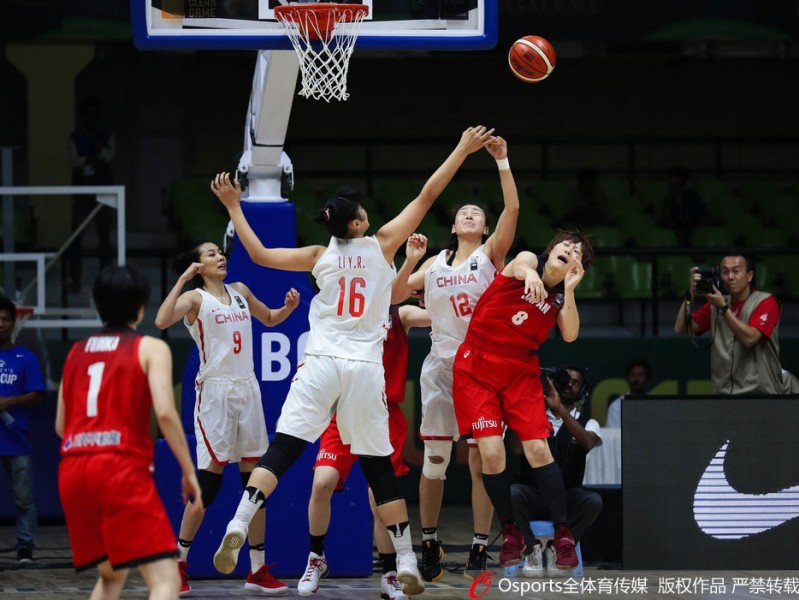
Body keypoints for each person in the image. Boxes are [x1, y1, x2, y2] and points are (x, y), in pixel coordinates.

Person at [209, 124, 497, 597]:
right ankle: (404, 558)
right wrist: (462, 150)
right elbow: (427, 195)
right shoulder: (382, 244)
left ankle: (241, 519)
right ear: (359, 224)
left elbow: (257, 255)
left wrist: (234, 207)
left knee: (282, 449)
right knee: (381, 467)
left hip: (321, 361)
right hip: (364, 369)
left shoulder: (318, 255)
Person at [391, 135, 519, 581]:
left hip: (484, 369)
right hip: (442, 368)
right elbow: (392, 294)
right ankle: (429, 541)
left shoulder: (490, 255)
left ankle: (481, 547)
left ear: (484, 229)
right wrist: (409, 262)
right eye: (464, 211)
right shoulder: (436, 264)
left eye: (477, 214)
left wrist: (502, 162)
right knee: (436, 463)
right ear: (454, 224)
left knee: (484, 460)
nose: (470, 213)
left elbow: (513, 212)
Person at [154, 241, 299, 595]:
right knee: (210, 482)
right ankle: (178, 564)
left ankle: (257, 569)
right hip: (215, 394)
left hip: (247, 390)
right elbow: (160, 320)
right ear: (197, 267)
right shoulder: (193, 299)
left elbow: (268, 318)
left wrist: (289, 308)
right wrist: (184, 279)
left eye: (220, 253)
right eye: (209, 255)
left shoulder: (240, 291)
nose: (220, 257)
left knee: (257, 481)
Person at [55, 265, 203, 600]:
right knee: (165, 580)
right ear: (141, 308)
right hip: (119, 470)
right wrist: (188, 470)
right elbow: (165, 412)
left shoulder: (75, 353)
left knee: (111, 576)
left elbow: (61, 427)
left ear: (97, 305)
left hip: (74, 472)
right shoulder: (151, 348)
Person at [451, 230, 595, 572]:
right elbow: (520, 265)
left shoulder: (561, 296)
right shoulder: (531, 260)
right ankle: (512, 531)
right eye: (565, 245)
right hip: (478, 364)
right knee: (490, 451)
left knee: (539, 450)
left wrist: (570, 291)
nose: (569, 250)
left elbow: (571, 334)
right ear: (551, 249)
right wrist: (531, 274)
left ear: (578, 267)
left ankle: (562, 535)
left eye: (577, 252)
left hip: (520, 370)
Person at [301, 302, 430, 598]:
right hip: (344, 409)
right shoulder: (343, 308)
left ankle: (389, 575)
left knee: (378, 499)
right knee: (322, 482)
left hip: (385, 414)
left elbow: (442, 314)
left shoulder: (401, 314)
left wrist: (435, 285)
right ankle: (315, 558)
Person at [510, 366, 603, 577]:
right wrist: (531, 406)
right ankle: (531, 549)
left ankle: (558, 547)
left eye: (576, 382)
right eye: (566, 380)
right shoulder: (534, 415)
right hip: (535, 495)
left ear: (583, 391)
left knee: (593, 502)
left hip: (567, 497)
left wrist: (560, 409)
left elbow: (588, 443)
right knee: (513, 493)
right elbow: (516, 448)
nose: (569, 384)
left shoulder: (588, 422)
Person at [674, 254, 787, 395]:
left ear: (749, 276)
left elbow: (750, 339)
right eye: (725, 272)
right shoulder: (714, 305)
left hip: (761, 395)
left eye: (736, 271)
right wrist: (691, 293)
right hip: (724, 396)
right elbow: (681, 328)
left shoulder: (766, 302)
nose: (730, 277)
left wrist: (723, 308)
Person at [0, 297, 45, 563]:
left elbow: (37, 393)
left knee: (24, 500)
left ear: (14, 322)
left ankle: (25, 546)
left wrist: (11, 401)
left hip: (17, 441)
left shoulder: (25, 358)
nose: (1, 324)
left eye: (6, 319)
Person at [67, 96, 116, 292]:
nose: (91, 118)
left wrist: (97, 147)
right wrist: (86, 158)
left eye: (94, 114)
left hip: (103, 190)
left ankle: (107, 280)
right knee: (76, 236)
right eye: (88, 114)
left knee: (104, 235)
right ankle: (74, 278)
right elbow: (74, 160)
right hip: (82, 191)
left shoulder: (107, 136)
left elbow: (109, 156)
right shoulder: (75, 137)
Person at [660, 166, 705, 247]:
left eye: (673, 177)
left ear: (681, 179)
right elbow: (666, 218)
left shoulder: (692, 197)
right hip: (675, 231)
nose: (669, 181)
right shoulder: (669, 199)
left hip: (692, 230)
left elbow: (699, 216)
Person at [604, 359, 652, 429]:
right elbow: (613, 435)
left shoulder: (657, 404)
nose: (636, 379)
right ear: (627, 379)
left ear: (648, 378)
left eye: (641, 375)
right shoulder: (616, 406)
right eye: (632, 375)